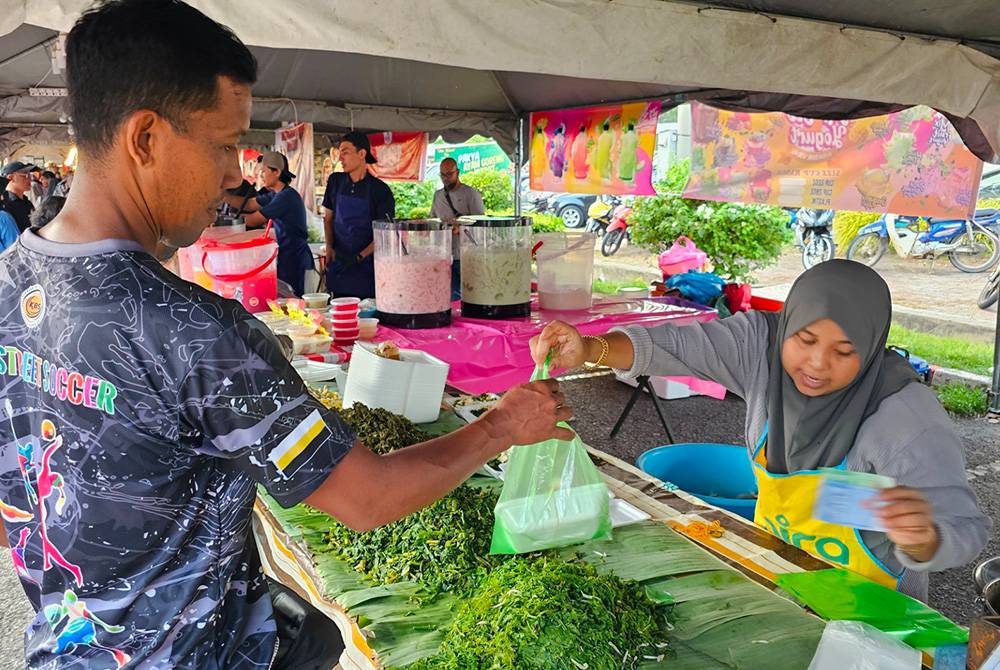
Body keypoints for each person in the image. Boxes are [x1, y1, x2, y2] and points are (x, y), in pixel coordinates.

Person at [0, 2, 572, 669]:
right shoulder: (193, 330)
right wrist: (500, 426)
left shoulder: (9, 276)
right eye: (221, 144)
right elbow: (366, 497)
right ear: (146, 138)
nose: (236, 175)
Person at [530, 260, 989, 602]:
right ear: (787, 325)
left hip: (873, 611)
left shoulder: (906, 418)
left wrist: (925, 537)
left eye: (843, 352)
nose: (815, 365)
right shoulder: (760, 347)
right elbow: (678, 347)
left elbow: (965, 528)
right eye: (805, 340)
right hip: (779, 575)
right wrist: (591, 347)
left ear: (870, 350)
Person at [223, 151, 314, 296]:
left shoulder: (287, 197)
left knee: (294, 300)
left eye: (263, 172)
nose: (261, 176)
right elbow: (250, 204)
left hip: (295, 258)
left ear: (276, 172)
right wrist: (223, 196)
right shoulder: (275, 195)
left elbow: (254, 219)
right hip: (285, 255)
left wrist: (225, 221)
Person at [322, 131, 394, 298]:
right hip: (340, 263)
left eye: (345, 152)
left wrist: (360, 257)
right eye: (340, 153)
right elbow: (328, 219)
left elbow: (384, 234)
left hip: (368, 266)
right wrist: (329, 247)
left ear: (362, 154)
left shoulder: (380, 190)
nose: (341, 158)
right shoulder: (335, 181)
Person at [431, 157, 485, 300]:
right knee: (449, 295)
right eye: (442, 175)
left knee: (471, 293)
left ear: (458, 172)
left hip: (466, 255)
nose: (445, 178)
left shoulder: (471, 194)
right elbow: (433, 221)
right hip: (444, 254)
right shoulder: (437, 196)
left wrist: (460, 229)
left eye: (449, 174)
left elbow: (481, 223)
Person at [1, 160, 37, 232]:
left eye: (30, 175)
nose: (30, 179)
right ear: (10, 178)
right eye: (25, 176)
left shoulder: (27, 203)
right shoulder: (4, 205)